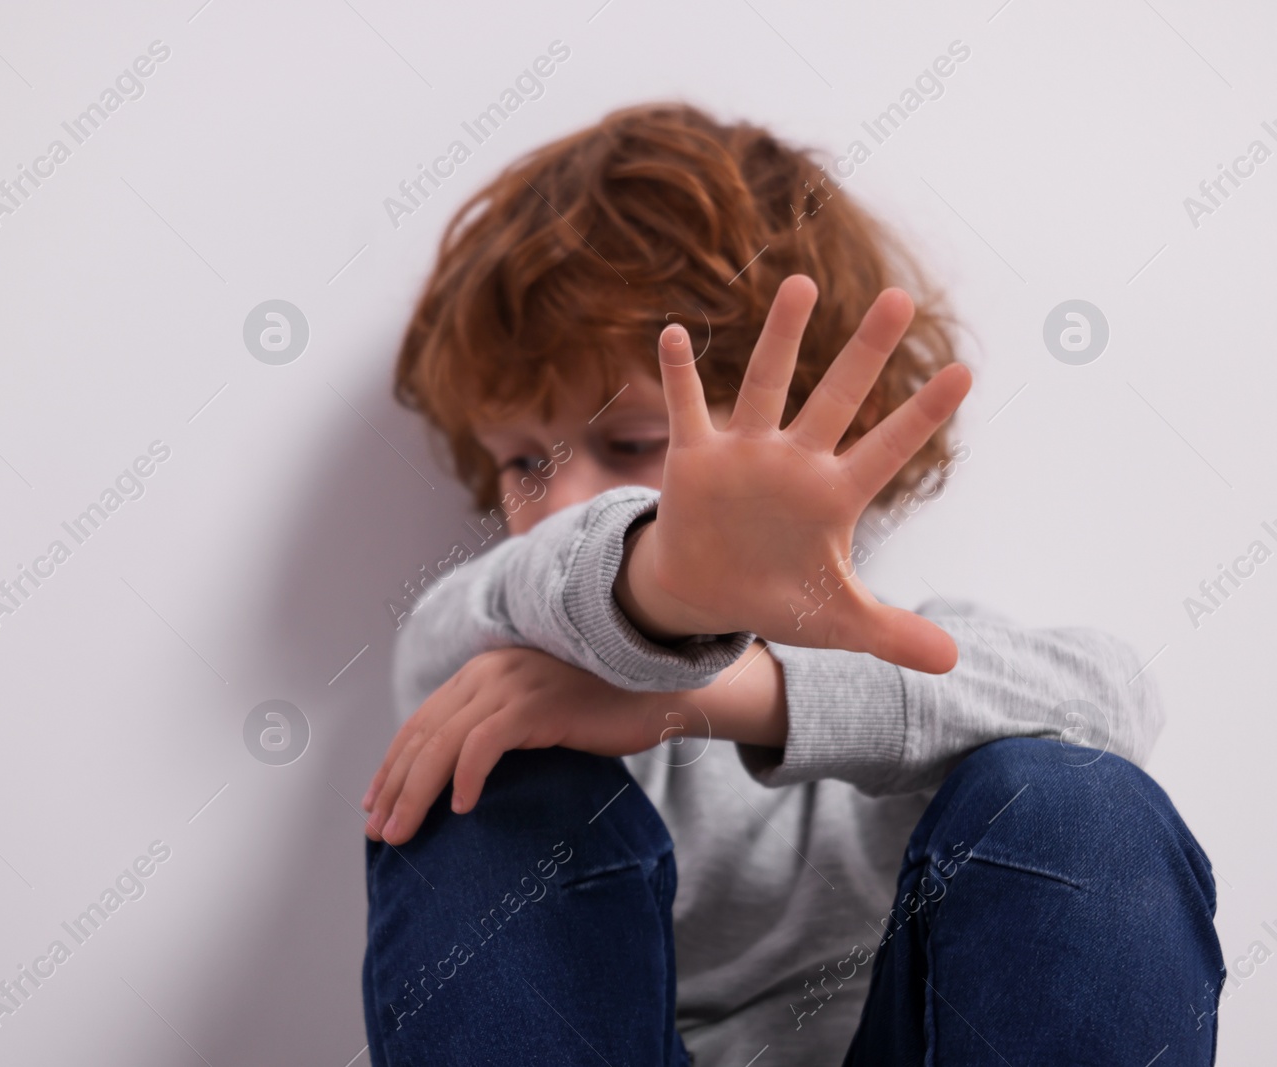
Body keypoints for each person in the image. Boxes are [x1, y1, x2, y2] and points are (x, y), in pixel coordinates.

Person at [359, 103, 1223, 1065]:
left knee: (1075, 798)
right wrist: (655, 581)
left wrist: (724, 699)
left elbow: (1110, 696)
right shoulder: (494, 639)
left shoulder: (911, 658)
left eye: (632, 443)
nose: (559, 502)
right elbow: (490, 610)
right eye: (521, 462)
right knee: (482, 771)